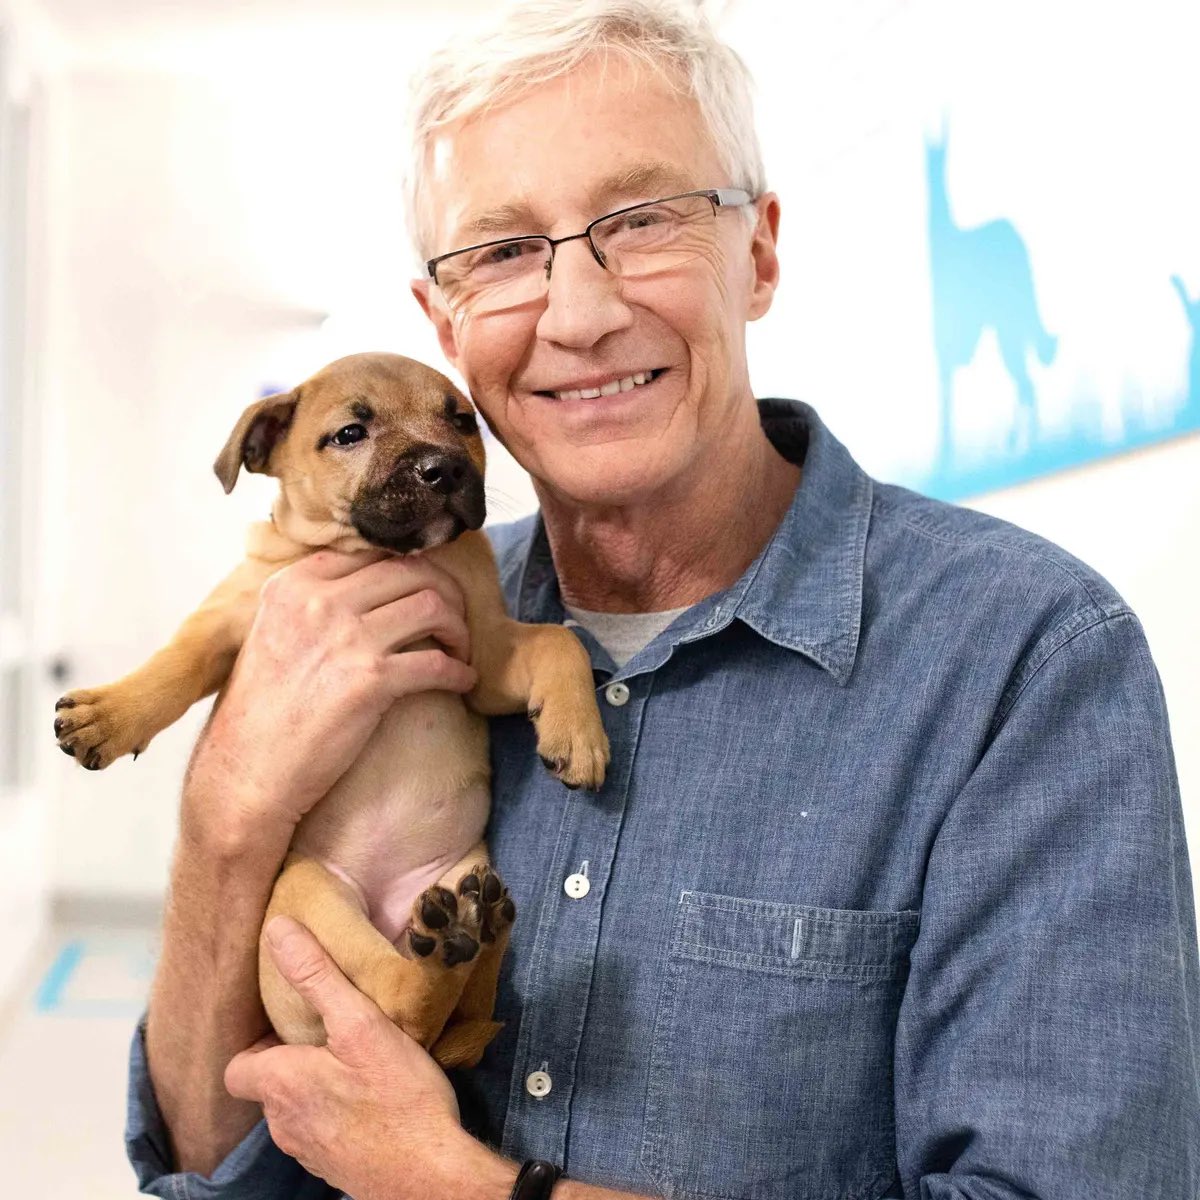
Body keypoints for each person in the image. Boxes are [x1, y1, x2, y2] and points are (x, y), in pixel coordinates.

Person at [125, 1, 1200, 1197]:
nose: (578, 315)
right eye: (500, 253)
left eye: (640, 221)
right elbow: (206, 1157)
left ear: (761, 255)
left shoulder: (1023, 660)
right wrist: (224, 821)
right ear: (444, 325)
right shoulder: (367, 626)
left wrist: (463, 1188)